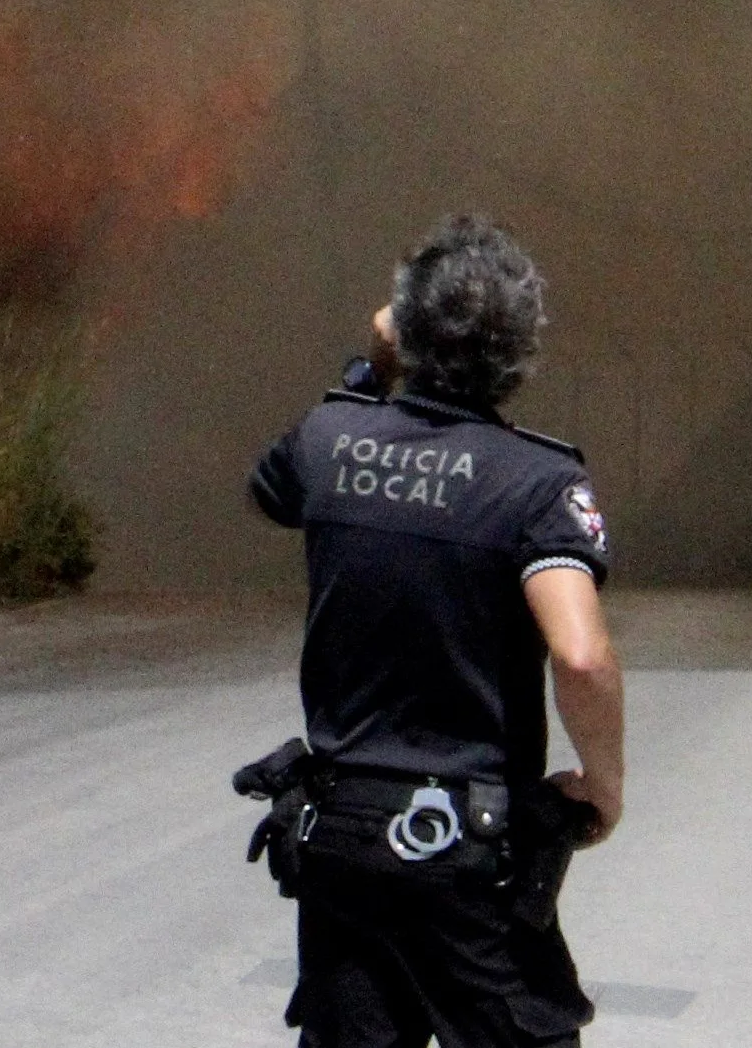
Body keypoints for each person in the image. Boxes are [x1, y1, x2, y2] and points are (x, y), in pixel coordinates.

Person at [243, 213, 627, 1048]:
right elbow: (582, 652)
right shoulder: (536, 482)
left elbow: (273, 488)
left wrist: (372, 364)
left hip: (338, 841)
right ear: (520, 350)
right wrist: (603, 783)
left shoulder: (329, 439)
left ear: (403, 327)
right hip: (462, 856)